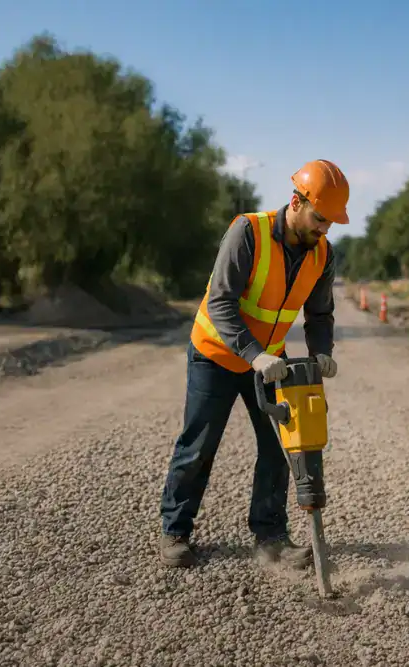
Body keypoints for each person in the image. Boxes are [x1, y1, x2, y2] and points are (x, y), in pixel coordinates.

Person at [157, 159, 349, 568]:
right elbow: (221, 301)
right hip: (217, 353)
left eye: (331, 223)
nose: (324, 229)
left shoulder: (322, 254)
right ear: (296, 202)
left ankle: (271, 536)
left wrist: (322, 352)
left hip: (269, 358)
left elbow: (319, 314)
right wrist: (254, 354)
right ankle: (175, 531)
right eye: (320, 218)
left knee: (282, 445)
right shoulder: (249, 231)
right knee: (198, 445)